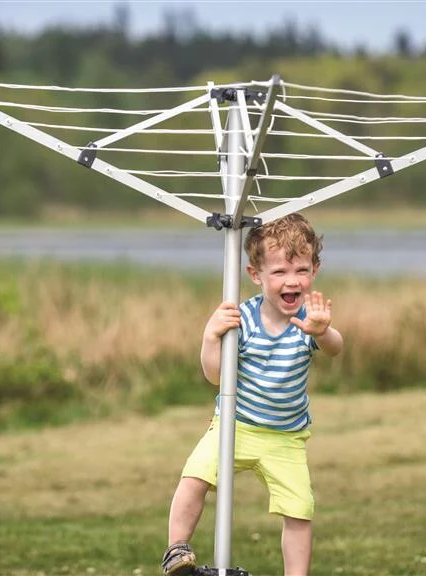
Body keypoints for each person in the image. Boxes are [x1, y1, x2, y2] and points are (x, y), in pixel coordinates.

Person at [160, 213, 344, 576]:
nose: (292, 280)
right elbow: (216, 376)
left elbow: (336, 349)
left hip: (286, 437)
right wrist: (210, 337)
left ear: (315, 269)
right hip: (235, 425)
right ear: (255, 274)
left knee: (299, 510)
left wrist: (323, 332)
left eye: (302, 270)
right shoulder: (241, 318)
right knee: (195, 476)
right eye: (279, 272)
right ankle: (177, 548)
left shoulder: (309, 320)